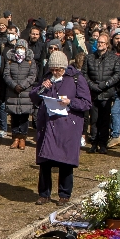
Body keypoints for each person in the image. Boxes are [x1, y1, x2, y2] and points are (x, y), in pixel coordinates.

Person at [29, 50, 90, 205]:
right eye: (53, 69)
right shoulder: (47, 78)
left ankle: (64, 194)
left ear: (64, 68)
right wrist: (42, 88)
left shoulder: (76, 79)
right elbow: (34, 97)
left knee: (65, 161)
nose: (55, 72)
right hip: (48, 125)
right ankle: (44, 194)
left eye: (58, 70)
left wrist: (70, 102)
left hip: (67, 126)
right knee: (45, 162)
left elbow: (86, 103)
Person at [82, 37, 120, 154]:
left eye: (102, 42)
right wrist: (92, 86)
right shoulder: (89, 57)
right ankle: (93, 142)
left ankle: (103, 143)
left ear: (107, 44)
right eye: (98, 42)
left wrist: (106, 84)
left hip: (106, 93)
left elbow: (118, 74)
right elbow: (84, 74)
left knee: (104, 120)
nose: (99, 44)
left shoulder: (114, 58)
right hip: (93, 93)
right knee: (93, 120)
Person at [2, 39, 38, 149]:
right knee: (14, 117)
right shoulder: (10, 61)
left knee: (24, 117)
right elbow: (6, 75)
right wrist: (14, 85)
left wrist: (22, 85)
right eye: (18, 47)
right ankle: (15, 138)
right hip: (13, 93)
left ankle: (23, 138)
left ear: (26, 49)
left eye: (22, 48)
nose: (20, 50)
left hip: (25, 93)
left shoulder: (31, 62)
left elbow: (32, 76)